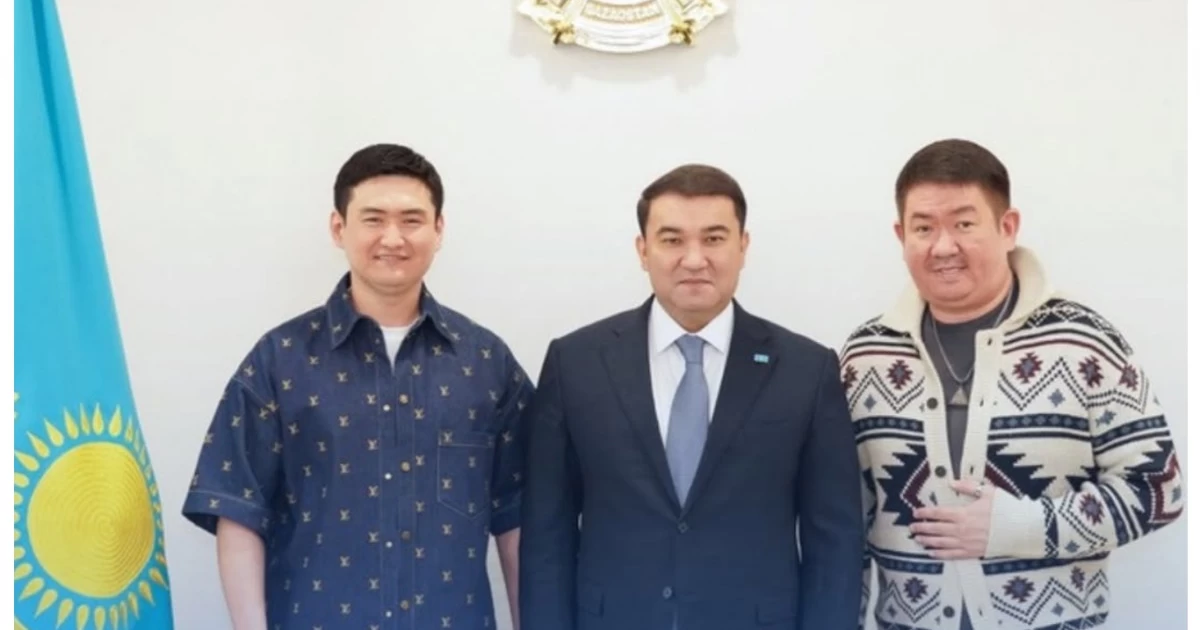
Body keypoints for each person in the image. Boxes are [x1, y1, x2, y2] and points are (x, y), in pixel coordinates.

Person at [181, 143, 533, 630]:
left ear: (439, 229)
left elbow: (519, 518)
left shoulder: (486, 362)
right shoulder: (279, 359)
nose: (393, 237)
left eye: (411, 220)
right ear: (338, 228)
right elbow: (238, 512)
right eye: (373, 219)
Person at [842, 138, 1185, 630]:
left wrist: (1023, 526)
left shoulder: (1084, 342)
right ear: (901, 236)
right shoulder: (864, 357)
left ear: (1008, 228)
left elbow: (1158, 489)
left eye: (964, 224)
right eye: (923, 227)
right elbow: (846, 518)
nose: (943, 246)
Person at [519, 164, 864, 630]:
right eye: (672, 239)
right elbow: (547, 535)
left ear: (743, 246)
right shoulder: (576, 362)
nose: (695, 259)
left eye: (714, 238)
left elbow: (835, 540)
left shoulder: (806, 369)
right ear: (643, 250)